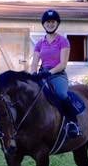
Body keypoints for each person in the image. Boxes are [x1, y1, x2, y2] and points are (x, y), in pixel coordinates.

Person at [28, 9, 81, 138]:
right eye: (47, 22)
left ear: (57, 24)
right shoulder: (40, 43)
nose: (50, 24)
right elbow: (34, 62)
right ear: (43, 24)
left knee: (61, 94)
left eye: (53, 22)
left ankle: (73, 123)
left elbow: (63, 64)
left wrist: (48, 73)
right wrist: (33, 74)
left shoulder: (63, 41)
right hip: (42, 74)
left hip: (58, 75)